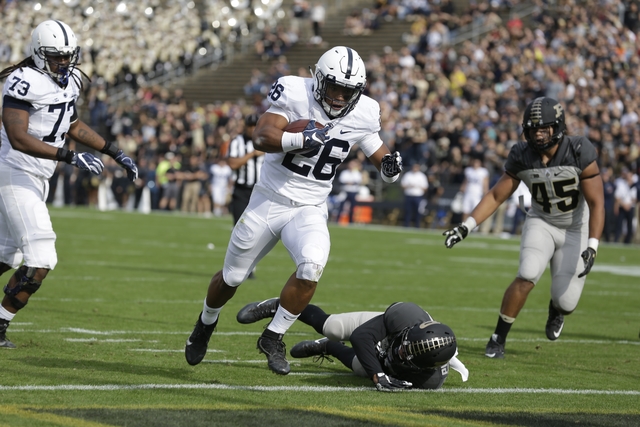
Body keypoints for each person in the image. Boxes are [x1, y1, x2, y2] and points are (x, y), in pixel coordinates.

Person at [184, 46, 403, 375]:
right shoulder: (294, 90)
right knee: (231, 278)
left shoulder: (365, 112)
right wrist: (300, 139)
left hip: (311, 206)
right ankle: (206, 323)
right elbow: (261, 136)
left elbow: (379, 153)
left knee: (312, 266)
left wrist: (390, 167)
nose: (341, 97)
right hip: (268, 199)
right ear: (318, 80)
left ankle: (272, 336)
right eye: (335, 87)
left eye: (349, 90)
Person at [0, 20, 138, 348]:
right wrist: (70, 157)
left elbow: (72, 123)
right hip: (14, 172)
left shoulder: (69, 82)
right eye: (55, 56)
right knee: (42, 257)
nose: (63, 62)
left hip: (36, 177)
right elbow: (18, 137)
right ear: (37, 53)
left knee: (7, 256)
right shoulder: (24, 81)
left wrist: (114, 151)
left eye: (67, 56)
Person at [443, 97, 604, 359]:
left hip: (576, 227)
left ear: (557, 127)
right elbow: (497, 195)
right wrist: (466, 226)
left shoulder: (578, 149)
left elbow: (597, 204)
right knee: (527, 273)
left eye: (544, 128)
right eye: (533, 129)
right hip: (541, 220)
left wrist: (593, 245)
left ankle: (555, 309)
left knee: (566, 302)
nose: (538, 134)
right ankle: (498, 338)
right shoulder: (521, 154)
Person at [236, 298, 468, 390]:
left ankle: (327, 347)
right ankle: (282, 304)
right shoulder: (405, 318)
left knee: (360, 367)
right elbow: (360, 336)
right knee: (333, 328)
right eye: (406, 344)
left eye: (408, 353)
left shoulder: (430, 380)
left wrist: (377, 372)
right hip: (384, 330)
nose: (401, 350)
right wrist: (378, 374)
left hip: (402, 351)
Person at [227, 113, 264, 225]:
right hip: (241, 190)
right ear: (245, 126)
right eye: (250, 126)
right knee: (239, 224)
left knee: (260, 226)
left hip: (261, 190)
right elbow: (232, 164)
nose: (253, 129)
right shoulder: (237, 141)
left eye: (255, 126)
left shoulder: (267, 141)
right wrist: (252, 153)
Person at [401, 163, 429, 228]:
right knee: (408, 211)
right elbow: (402, 186)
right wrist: (409, 186)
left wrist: (418, 186)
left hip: (418, 196)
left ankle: (417, 226)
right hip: (409, 195)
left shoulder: (422, 176)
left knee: (418, 212)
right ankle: (406, 225)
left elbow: (425, 188)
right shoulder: (407, 175)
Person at [336, 159, 363, 224]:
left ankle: (351, 221)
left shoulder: (357, 173)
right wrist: (350, 182)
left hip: (353, 192)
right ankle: (337, 221)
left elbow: (357, 182)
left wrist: (349, 182)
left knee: (352, 207)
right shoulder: (344, 172)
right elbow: (342, 181)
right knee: (341, 206)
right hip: (345, 191)